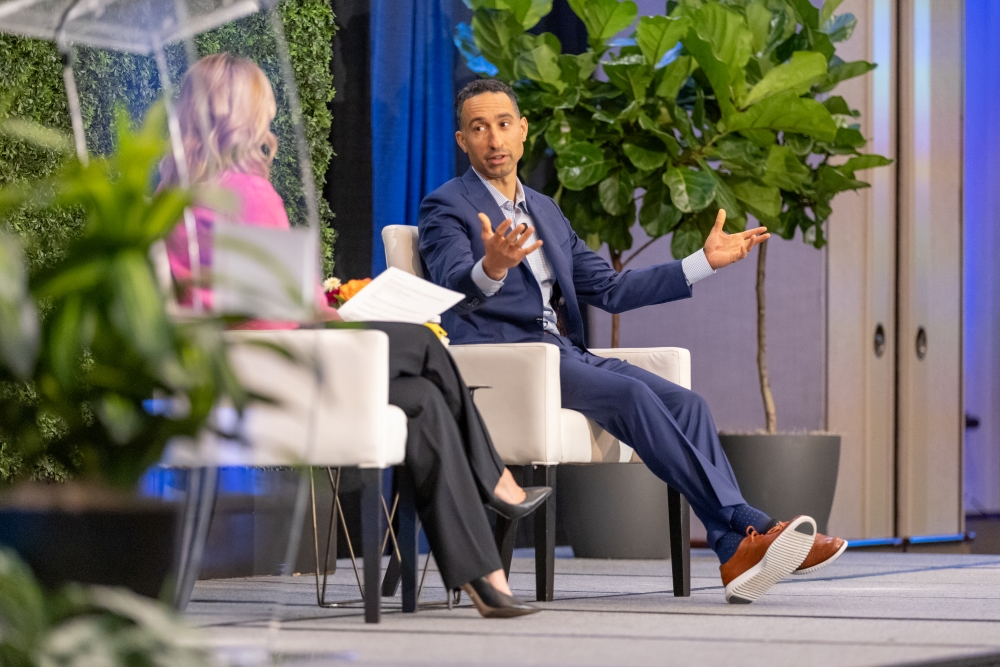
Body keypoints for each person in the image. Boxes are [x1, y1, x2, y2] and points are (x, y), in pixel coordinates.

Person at [418, 78, 848, 604]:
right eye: (478, 128)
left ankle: (734, 551)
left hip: (564, 354)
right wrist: (492, 266)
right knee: (633, 396)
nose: (494, 139)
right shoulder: (445, 206)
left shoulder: (546, 212)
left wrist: (701, 264)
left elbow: (610, 289)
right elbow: (449, 283)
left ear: (524, 131)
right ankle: (749, 523)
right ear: (462, 140)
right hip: (508, 361)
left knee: (687, 404)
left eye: (504, 124)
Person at [160, 54, 547, 617]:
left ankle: (484, 578)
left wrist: (325, 303)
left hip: (239, 364)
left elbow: (251, 298)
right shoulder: (245, 192)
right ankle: (499, 481)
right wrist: (340, 317)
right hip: (274, 370)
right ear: (243, 115)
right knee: (422, 344)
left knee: (422, 404)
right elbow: (273, 317)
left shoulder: (181, 191)